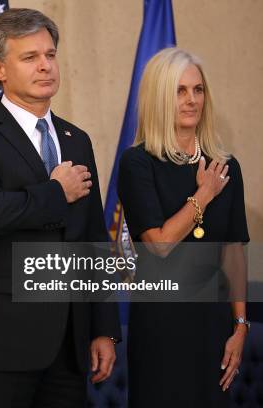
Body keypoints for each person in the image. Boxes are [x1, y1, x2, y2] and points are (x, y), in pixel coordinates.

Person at [0, 8, 121, 408]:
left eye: (50, 55)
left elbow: (93, 238)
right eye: (30, 58)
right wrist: (56, 192)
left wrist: (103, 329)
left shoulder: (77, 139)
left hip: (69, 347)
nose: (45, 66)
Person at [118, 47, 249, 407]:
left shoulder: (226, 166)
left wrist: (240, 326)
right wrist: (204, 194)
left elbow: (234, 250)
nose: (192, 100)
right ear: (159, 97)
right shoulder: (137, 163)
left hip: (213, 322)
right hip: (161, 321)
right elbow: (159, 244)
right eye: (179, 91)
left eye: (198, 90)